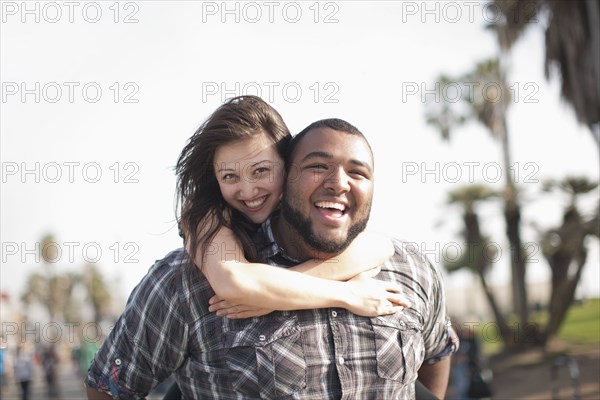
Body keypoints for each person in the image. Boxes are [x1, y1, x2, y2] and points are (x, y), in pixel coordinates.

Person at [86, 112, 457, 399]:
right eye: (317, 166)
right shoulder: (188, 281)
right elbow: (109, 386)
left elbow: (436, 353)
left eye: (357, 172)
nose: (339, 182)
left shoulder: (411, 269)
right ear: (288, 177)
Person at [175, 95, 408, 319]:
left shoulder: (300, 215)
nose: (248, 191)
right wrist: (347, 294)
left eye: (261, 171)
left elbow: (381, 246)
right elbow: (234, 282)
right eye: (229, 177)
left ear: (288, 167)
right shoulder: (205, 216)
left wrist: (271, 295)